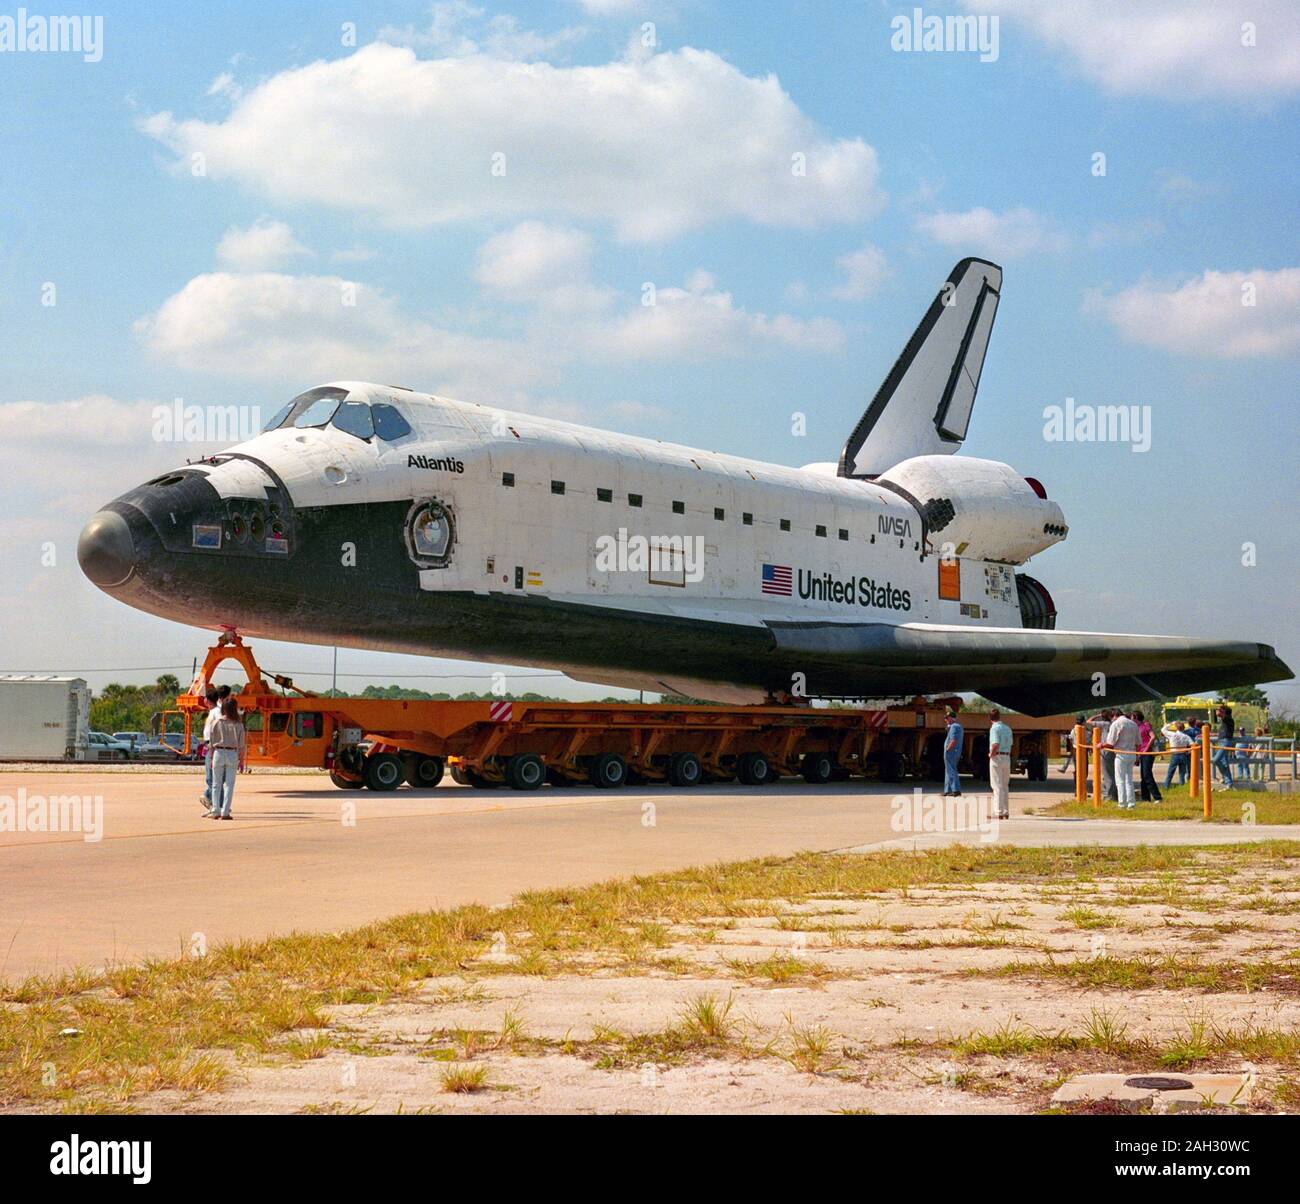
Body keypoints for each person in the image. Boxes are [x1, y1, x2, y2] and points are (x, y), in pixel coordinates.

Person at [207, 696, 246, 821]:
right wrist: (241, 761)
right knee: (229, 784)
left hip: (218, 752)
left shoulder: (216, 722)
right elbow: (241, 745)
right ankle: (225, 811)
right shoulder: (238, 724)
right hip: (232, 754)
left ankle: (215, 810)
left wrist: (212, 757)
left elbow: (211, 742)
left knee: (216, 784)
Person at [1105, 709, 1140, 809]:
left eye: (1112, 718)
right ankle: (1131, 803)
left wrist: (1101, 745)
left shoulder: (1116, 724)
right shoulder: (1133, 724)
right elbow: (1138, 742)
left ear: (1115, 716)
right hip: (1132, 753)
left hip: (1121, 755)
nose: (1112, 720)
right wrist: (1137, 756)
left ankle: (1122, 803)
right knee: (1129, 780)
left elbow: (1110, 743)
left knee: (1120, 780)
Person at [987, 708, 1012, 820]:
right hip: (1007, 756)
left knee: (996, 785)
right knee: (1005, 785)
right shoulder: (1007, 728)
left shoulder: (994, 728)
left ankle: (998, 812)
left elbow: (995, 744)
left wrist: (991, 754)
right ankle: (1005, 811)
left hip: (997, 757)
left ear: (990, 717)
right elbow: (1011, 743)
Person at [1088, 709, 1117, 801]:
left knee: (1107, 774)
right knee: (1111, 772)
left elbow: (1089, 721)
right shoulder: (1113, 723)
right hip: (1112, 749)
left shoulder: (1104, 724)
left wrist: (1097, 715)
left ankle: (1109, 795)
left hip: (1105, 750)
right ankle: (1111, 793)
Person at [1134, 709, 1161, 802]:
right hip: (1141, 753)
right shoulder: (1136, 727)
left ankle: (1157, 797)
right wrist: (1137, 756)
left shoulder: (1145, 725)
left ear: (1136, 717)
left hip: (1147, 753)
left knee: (1147, 775)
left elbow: (1152, 737)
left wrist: (1146, 749)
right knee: (1143, 776)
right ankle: (1145, 798)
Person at [1161, 720, 1193, 789]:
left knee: (1170, 772)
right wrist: (1189, 751)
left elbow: (1163, 730)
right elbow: (1192, 744)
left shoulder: (1172, 734)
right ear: (1183, 728)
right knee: (1182, 773)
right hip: (1183, 755)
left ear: (1176, 728)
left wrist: (1170, 723)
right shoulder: (1186, 736)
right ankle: (1182, 786)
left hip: (1175, 755)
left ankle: (1166, 787)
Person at [1212, 705, 1235, 787]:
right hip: (1222, 741)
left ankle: (1225, 779)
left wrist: (1219, 710)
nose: (1217, 711)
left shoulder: (1228, 719)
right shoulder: (1225, 721)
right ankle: (1229, 782)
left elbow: (1222, 715)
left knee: (1215, 760)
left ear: (1225, 712)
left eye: (1220, 710)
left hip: (1225, 742)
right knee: (1224, 763)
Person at [942, 710, 964, 797]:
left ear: (951, 718)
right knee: (948, 770)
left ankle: (956, 790)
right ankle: (948, 790)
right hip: (954, 752)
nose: (945, 720)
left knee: (951, 770)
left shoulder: (954, 726)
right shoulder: (957, 726)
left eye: (947, 718)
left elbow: (953, 740)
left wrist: (948, 749)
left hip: (951, 752)